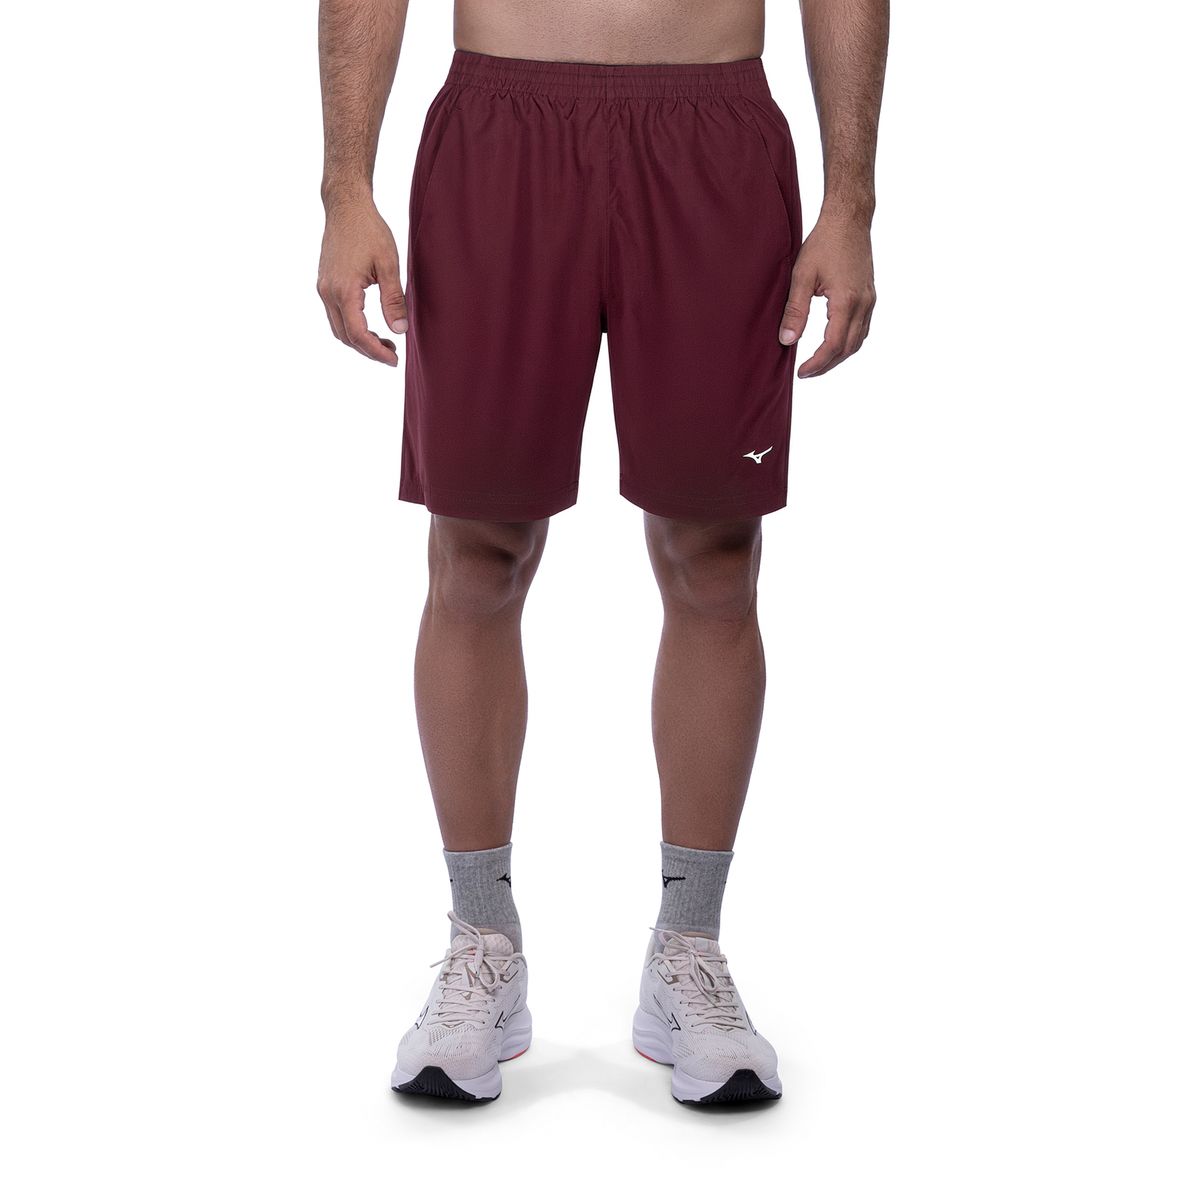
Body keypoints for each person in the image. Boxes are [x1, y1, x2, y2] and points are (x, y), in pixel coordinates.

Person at [317, 0, 887, 1106]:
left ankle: (688, 953)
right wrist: (346, 188)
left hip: (714, 135)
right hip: (500, 132)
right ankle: (482, 945)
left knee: (715, 555)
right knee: (476, 553)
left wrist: (850, 201)